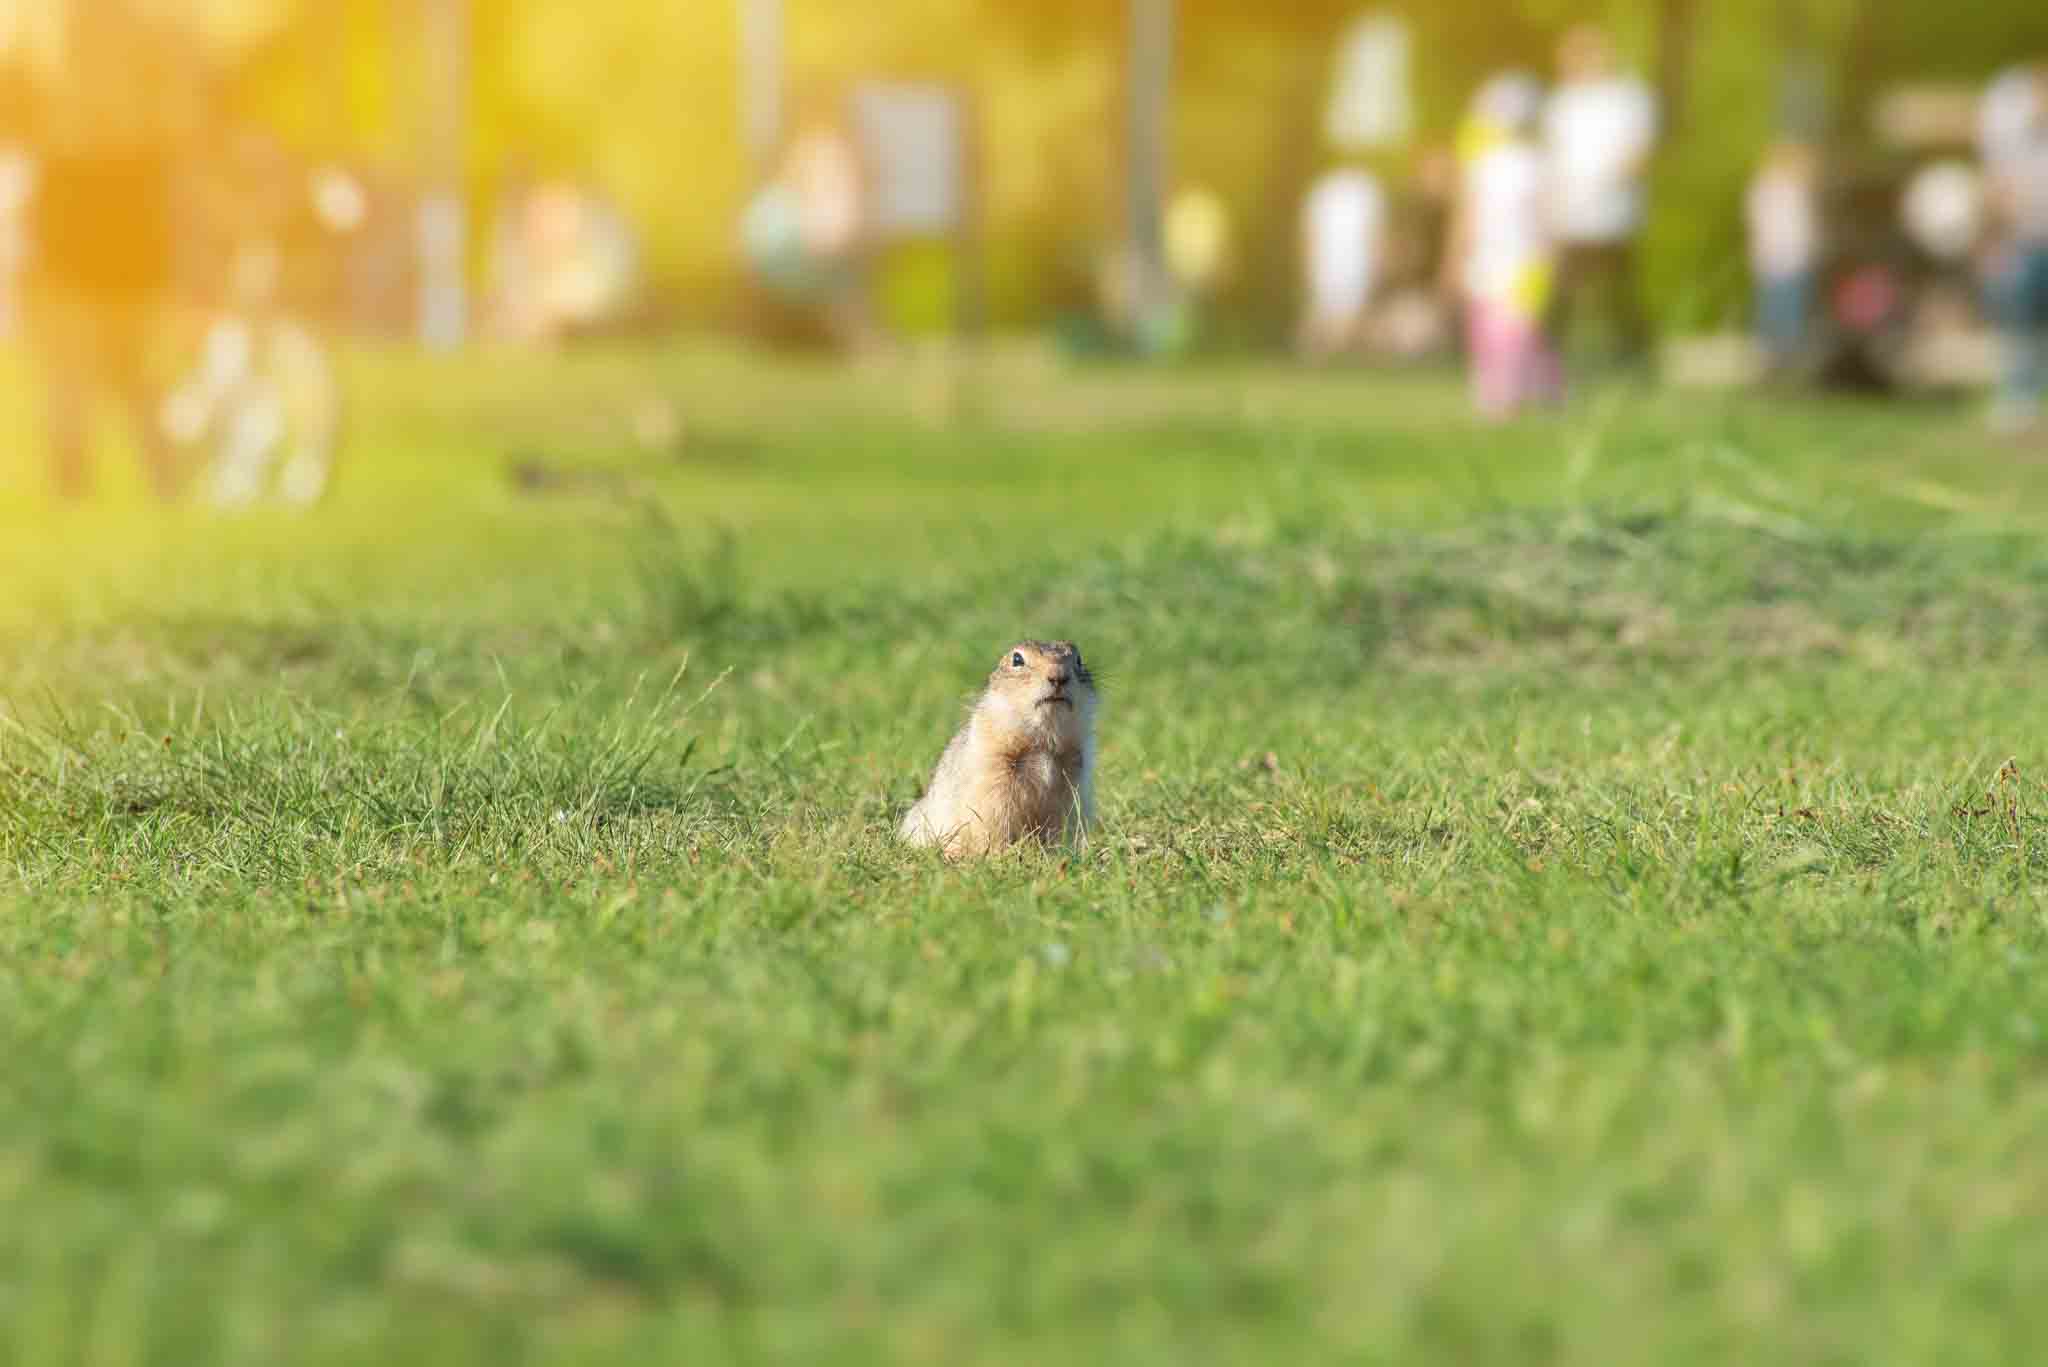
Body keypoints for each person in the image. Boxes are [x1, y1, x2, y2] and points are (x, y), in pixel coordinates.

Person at [17, 1, 202, 499]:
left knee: (78, 371)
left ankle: (80, 494)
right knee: (127, 372)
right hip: (123, 197)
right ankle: (162, 489)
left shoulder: (51, 34)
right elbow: (178, 126)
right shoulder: (146, 34)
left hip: (92, 197)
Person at [1541, 23, 1657, 375]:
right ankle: (1547, 365)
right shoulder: (1560, 103)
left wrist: (1607, 184)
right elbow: (1551, 159)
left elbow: (1638, 154)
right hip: (1568, 218)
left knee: (1618, 297)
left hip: (1613, 216)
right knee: (1559, 297)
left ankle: (1636, 365)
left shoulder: (1630, 97)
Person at [1443, 73, 1557, 420]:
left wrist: (1454, 257)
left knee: (1509, 330)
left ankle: (1517, 394)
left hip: (1517, 260)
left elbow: (1468, 216)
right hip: (1501, 258)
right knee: (1503, 329)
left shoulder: (1525, 164)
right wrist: (1456, 256)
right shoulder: (1495, 165)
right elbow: (1468, 214)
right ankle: (1510, 394)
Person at [1980, 63, 2048, 435]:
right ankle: (2019, 402)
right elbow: (1998, 190)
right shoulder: (2012, 144)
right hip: (2022, 242)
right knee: (2021, 323)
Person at [1745, 141, 1820, 374]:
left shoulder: (1795, 190)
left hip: (1793, 258)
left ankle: (1786, 360)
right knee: (1777, 311)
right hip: (1777, 257)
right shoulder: (1770, 190)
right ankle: (1773, 361)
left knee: (1791, 311)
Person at [1297, 167, 1384, 361]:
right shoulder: (1322, 192)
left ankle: (1337, 348)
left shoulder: (1368, 191)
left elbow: (1374, 240)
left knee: (1340, 328)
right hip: (1329, 280)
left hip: (1352, 280)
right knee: (1323, 326)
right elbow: (1310, 240)